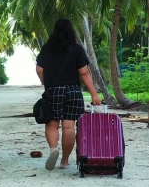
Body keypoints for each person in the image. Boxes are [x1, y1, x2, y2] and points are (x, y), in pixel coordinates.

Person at [35, 18, 102, 170]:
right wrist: (94, 94)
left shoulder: (47, 48)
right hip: (73, 91)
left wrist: (47, 83)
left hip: (54, 90)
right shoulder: (77, 49)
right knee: (68, 127)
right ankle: (65, 161)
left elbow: (39, 69)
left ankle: (53, 149)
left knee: (52, 124)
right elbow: (84, 73)